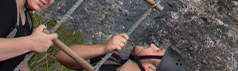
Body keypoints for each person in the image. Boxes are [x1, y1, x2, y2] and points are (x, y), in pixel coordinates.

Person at [56, 43, 188, 71]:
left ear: (150, 69)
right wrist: (104, 48)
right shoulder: (111, 60)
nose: (152, 45)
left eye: (157, 50)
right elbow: (62, 56)